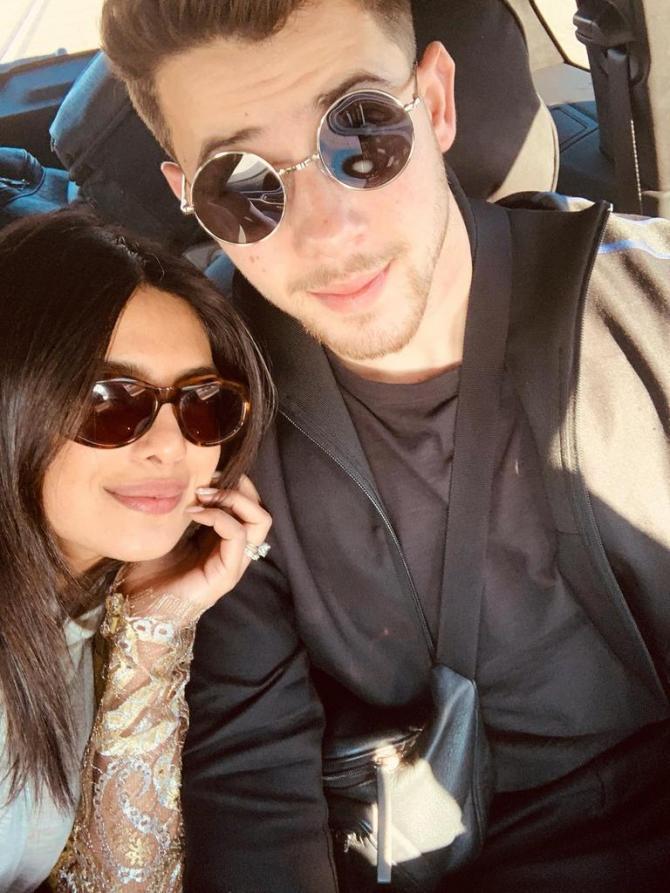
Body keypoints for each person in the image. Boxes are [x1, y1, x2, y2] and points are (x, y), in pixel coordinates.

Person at [100, 1, 670, 891]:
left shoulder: (648, 310)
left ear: (435, 104)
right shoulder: (211, 422)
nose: (330, 230)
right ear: (190, 200)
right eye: (242, 186)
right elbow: (254, 781)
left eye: (362, 132)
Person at [0, 209, 273, 892]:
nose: (172, 445)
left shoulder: (96, 602)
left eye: (203, 403)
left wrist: (156, 629)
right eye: (110, 401)